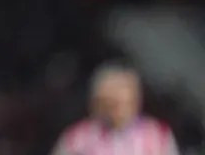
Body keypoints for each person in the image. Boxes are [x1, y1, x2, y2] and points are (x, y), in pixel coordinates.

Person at [50, 62, 180, 155]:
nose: (117, 110)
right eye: (111, 103)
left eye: (123, 102)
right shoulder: (77, 138)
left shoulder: (157, 136)